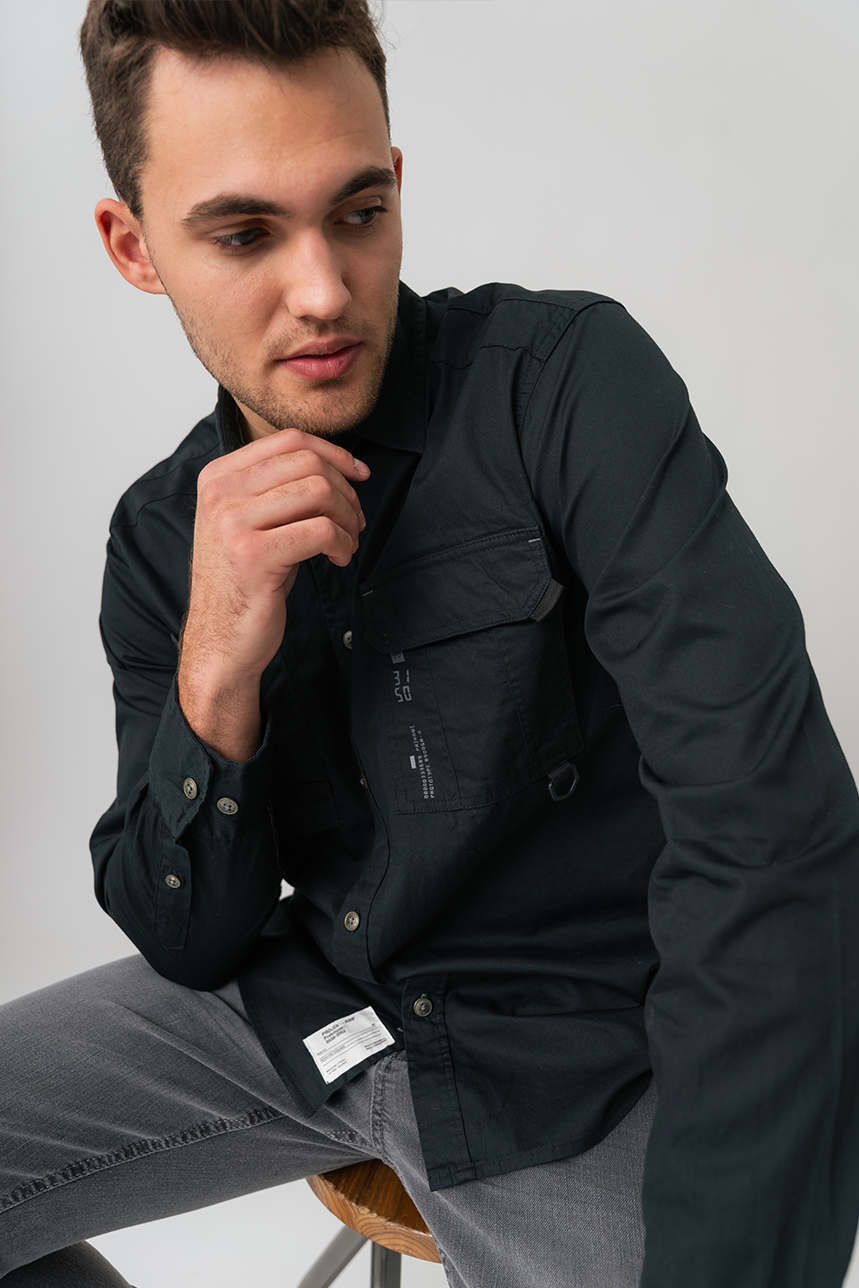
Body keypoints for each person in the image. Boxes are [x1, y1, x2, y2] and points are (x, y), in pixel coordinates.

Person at [2, 0, 858, 1284]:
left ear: (395, 181)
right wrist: (217, 664)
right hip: (310, 1010)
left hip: (580, 1066)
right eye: (243, 233)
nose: (323, 291)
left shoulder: (565, 383)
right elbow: (189, 940)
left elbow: (771, 835)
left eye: (358, 212)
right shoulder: (163, 532)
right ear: (135, 246)